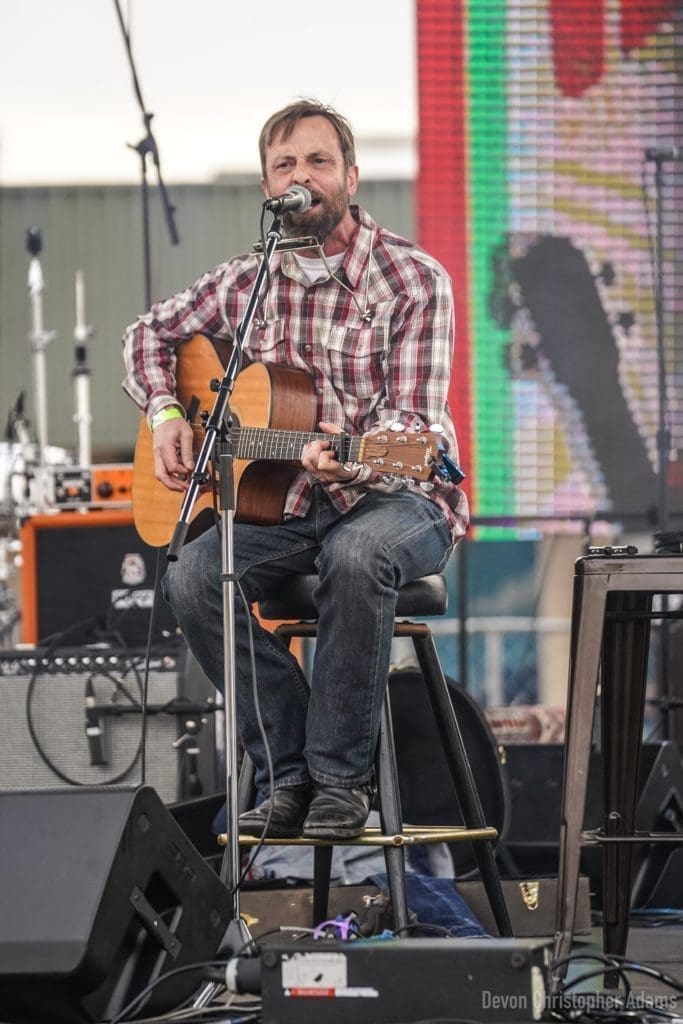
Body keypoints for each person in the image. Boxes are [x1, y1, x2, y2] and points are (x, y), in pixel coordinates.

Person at [122, 98, 468, 841]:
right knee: (188, 576)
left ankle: (343, 781)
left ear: (349, 174)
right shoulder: (249, 280)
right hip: (286, 506)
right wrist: (166, 417)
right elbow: (148, 334)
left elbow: (410, 425)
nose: (301, 176)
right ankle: (288, 773)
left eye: (317, 161)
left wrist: (352, 463)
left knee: (357, 551)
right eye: (285, 165)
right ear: (267, 187)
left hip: (402, 496)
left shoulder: (410, 279)